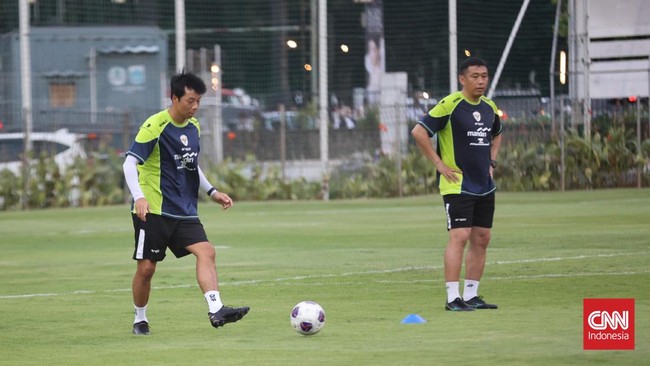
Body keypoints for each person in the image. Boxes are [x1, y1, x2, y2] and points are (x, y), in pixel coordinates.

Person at [122, 71, 249, 335]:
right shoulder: (155, 125)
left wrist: (213, 192)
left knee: (207, 251)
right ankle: (139, 319)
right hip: (154, 209)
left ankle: (216, 310)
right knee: (146, 269)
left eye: (198, 101)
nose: (195, 107)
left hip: (184, 209)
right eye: (190, 101)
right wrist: (139, 197)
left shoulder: (194, 127)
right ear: (174, 98)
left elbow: (192, 165)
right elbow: (129, 163)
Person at [411, 57, 503, 311]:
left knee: (482, 237)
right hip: (457, 184)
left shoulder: (489, 107)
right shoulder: (449, 105)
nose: (481, 81)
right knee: (460, 236)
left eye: (484, 75)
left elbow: (497, 134)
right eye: (475, 76)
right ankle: (453, 298)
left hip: (484, 184)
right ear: (462, 79)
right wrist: (439, 164)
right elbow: (419, 132)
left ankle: (471, 295)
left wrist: (491, 162)